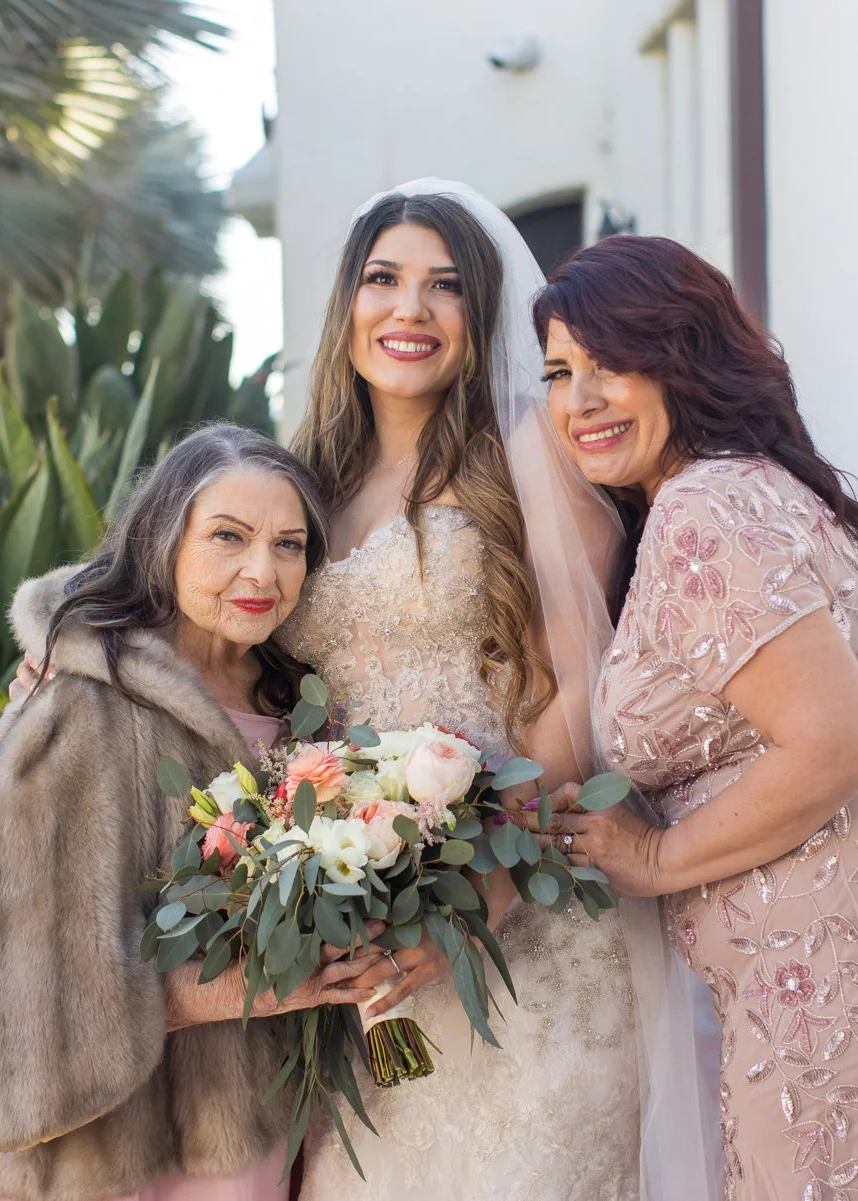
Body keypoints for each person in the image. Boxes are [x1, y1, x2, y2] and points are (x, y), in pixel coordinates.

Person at [530, 234, 858, 1200]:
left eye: (612, 363)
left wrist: (656, 859)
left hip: (852, 975)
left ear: (682, 354)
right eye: (561, 372)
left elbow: (840, 740)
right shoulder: (746, 486)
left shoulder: (707, 511)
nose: (581, 400)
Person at [276, 183, 714, 1201]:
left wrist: (482, 892)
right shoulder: (300, 480)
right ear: (347, 304)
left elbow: (582, 688)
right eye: (383, 280)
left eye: (445, 287)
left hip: (525, 913)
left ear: (480, 317)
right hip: (369, 948)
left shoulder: (529, 456)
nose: (410, 311)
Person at [0, 425, 385, 1201]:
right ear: (161, 539)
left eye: (289, 544)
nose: (262, 570)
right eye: (228, 537)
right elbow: (36, 1003)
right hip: (105, 1157)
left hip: (247, 1141)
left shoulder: (300, 708)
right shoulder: (80, 706)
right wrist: (259, 983)